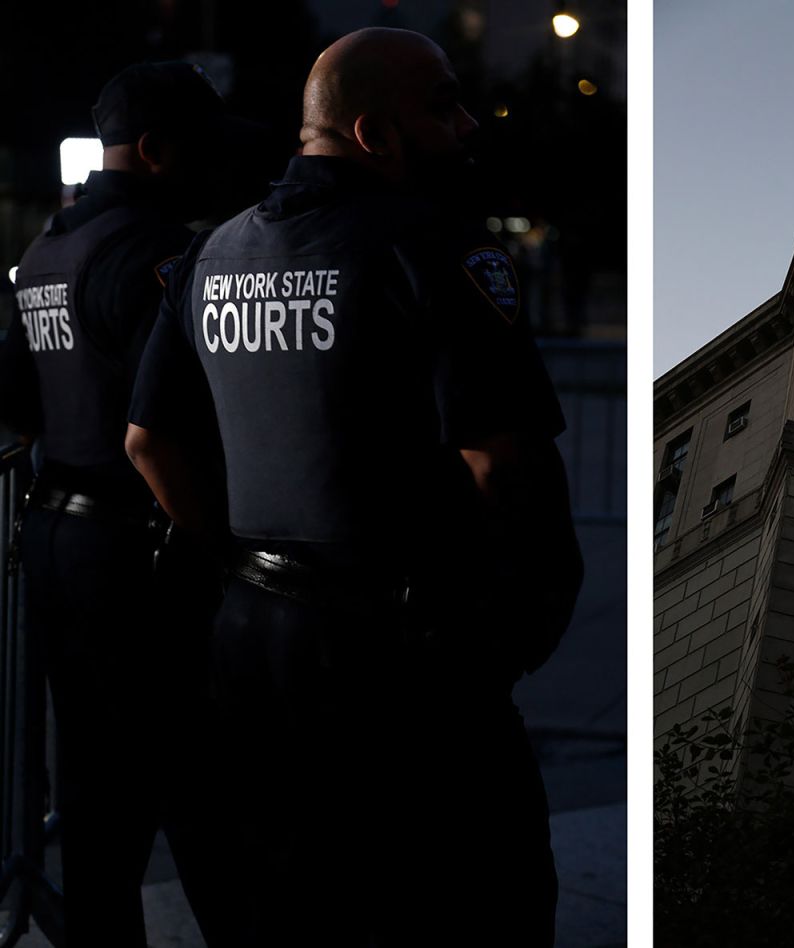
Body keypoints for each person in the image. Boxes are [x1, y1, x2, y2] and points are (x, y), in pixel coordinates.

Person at [125, 28, 583, 946]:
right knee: (484, 898)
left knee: (295, 903)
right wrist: (514, 623)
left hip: (251, 646)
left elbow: (146, 442)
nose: (464, 126)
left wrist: (235, 560)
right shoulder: (428, 247)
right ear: (374, 132)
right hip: (402, 657)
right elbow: (500, 462)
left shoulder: (214, 255)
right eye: (443, 106)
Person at [0, 62, 237, 946]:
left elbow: (18, 403)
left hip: (60, 544)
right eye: (204, 147)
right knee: (205, 797)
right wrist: (214, 542)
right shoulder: (155, 254)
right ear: (156, 150)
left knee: (96, 816)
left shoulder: (43, 253)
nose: (217, 165)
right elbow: (175, 423)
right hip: (144, 555)